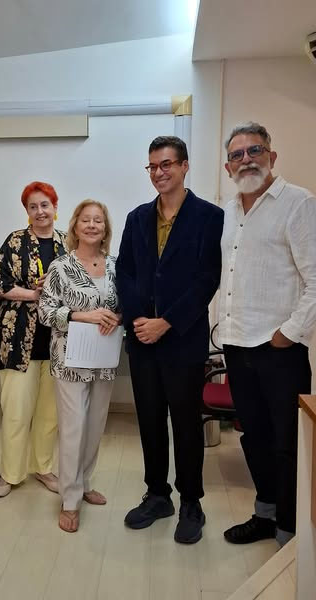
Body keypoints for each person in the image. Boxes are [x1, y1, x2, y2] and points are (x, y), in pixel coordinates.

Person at [116, 136, 224, 544]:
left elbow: (207, 279)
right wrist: (138, 319)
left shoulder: (209, 217)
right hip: (142, 339)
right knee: (149, 420)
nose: (159, 173)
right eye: (153, 166)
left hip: (182, 339)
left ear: (184, 166)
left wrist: (167, 322)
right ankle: (158, 495)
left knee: (186, 423)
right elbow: (125, 273)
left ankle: (191, 502)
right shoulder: (136, 218)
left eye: (166, 165)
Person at [219, 122, 316, 547]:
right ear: (228, 167)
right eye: (237, 155)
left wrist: (288, 333)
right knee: (254, 436)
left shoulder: (298, 203)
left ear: (271, 156)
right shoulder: (227, 212)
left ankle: (291, 529)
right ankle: (266, 514)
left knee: (287, 442)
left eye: (254, 150)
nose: (246, 160)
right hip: (237, 343)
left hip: (279, 350)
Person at [39, 200, 120, 533]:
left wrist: (118, 317)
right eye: (85, 220)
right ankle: (69, 499)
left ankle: (84, 482)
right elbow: (45, 312)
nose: (91, 225)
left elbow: (126, 305)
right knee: (73, 428)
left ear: (105, 228)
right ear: (75, 226)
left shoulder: (116, 266)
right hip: (70, 358)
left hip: (104, 358)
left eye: (98, 220)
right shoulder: (60, 266)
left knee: (95, 426)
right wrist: (80, 316)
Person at [0, 181, 67, 498]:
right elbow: (0, 285)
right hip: (17, 339)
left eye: (45, 205)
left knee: (49, 414)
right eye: (33, 206)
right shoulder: (15, 242)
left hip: (57, 341)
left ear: (55, 207)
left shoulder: (68, 243)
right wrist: (36, 293)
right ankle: (10, 473)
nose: (40, 211)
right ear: (27, 211)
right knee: (16, 412)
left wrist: (57, 290)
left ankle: (43, 467)